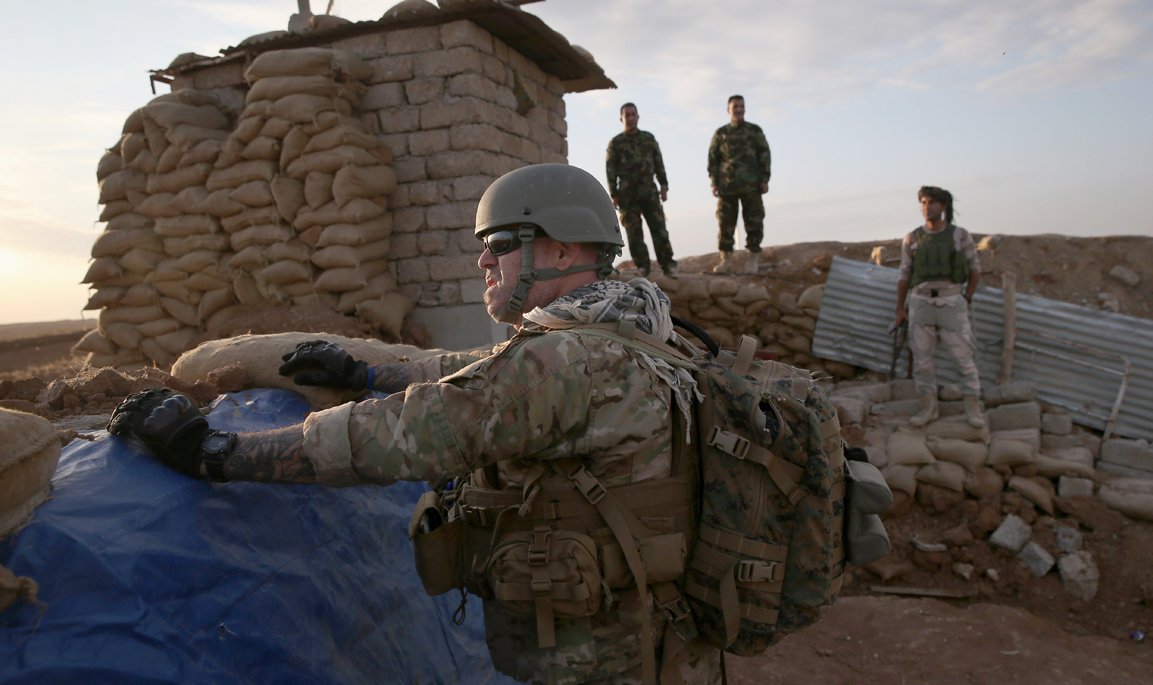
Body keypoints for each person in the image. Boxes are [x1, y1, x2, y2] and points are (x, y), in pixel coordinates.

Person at [106, 163, 720, 685]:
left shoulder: (568, 360)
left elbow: (403, 435)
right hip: (653, 629)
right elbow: (477, 370)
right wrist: (366, 373)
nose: (483, 258)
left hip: (602, 653)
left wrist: (210, 450)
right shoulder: (630, 328)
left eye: (502, 241)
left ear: (563, 249)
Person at [892, 186, 985, 428]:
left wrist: (966, 297)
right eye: (923, 202)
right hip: (921, 302)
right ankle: (928, 409)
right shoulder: (912, 238)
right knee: (922, 363)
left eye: (932, 202)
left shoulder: (960, 235)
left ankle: (973, 410)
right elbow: (904, 274)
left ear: (944, 206)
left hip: (951, 302)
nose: (926, 206)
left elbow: (975, 268)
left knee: (963, 360)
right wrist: (901, 309)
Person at [606, 102, 676, 276]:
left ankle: (668, 265)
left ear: (638, 117)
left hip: (649, 192)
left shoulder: (648, 139)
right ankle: (643, 266)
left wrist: (664, 185)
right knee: (634, 233)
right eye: (626, 115)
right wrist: (614, 194)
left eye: (633, 114)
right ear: (621, 119)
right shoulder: (616, 143)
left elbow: (659, 163)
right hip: (627, 194)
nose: (630, 118)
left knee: (659, 229)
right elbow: (610, 170)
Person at [707, 95, 770, 275]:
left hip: (752, 185)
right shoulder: (722, 133)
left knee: (754, 222)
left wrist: (765, 179)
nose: (739, 109)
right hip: (728, 187)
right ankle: (726, 259)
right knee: (725, 223)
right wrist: (714, 183)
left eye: (741, 106)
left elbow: (764, 156)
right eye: (735, 106)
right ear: (729, 110)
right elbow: (713, 159)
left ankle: (753, 258)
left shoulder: (754, 131)